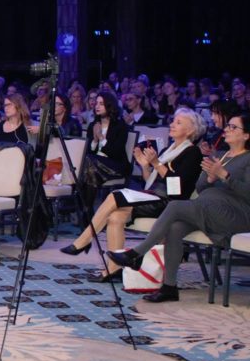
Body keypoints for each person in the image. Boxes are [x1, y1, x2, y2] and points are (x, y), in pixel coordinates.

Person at [109, 111, 250, 303]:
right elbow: (200, 187)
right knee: (175, 228)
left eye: (233, 127)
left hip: (236, 214)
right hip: (208, 208)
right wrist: (210, 178)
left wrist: (225, 176)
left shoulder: (247, 158)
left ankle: (137, 253)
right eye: (228, 126)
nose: (227, 129)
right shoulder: (220, 155)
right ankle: (169, 287)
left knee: (175, 206)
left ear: (246, 135)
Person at [61, 108, 205, 281]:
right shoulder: (169, 150)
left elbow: (177, 189)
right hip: (153, 197)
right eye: (173, 120)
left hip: (171, 204)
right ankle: (113, 270)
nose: (172, 124)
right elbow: (150, 182)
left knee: (115, 196)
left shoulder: (192, 153)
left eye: (178, 122)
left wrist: (156, 163)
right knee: (115, 216)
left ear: (190, 130)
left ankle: (84, 240)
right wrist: (145, 165)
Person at [77, 91, 131, 215]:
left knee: (89, 164)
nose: (97, 106)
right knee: (89, 166)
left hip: (115, 165)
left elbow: (116, 152)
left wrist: (101, 137)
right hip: (94, 167)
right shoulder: (93, 125)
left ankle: (85, 210)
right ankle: (87, 210)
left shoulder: (120, 126)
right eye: (96, 103)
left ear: (109, 106)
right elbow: (88, 151)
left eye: (101, 104)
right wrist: (95, 140)